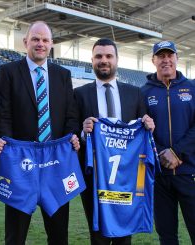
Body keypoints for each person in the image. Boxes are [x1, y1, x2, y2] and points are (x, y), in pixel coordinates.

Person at [0, 21, 80, 245]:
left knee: (59, 234)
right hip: (22, 164)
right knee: (15, 234)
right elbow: (4, 115)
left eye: (45, 40)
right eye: (35, 39)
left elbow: (71, 114)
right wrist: (7, 146)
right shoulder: (9, 71)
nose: (40, 44)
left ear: (51, 44)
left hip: (55, 164)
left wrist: (71, 137)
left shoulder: (63, 74)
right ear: (26, 42)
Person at [74, 38, 155, 245]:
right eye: (99, 56)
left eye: (108, 56)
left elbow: (143, 132)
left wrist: (148, 125)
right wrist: (84, 133)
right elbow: (72, 132)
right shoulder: (79, 94)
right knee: (98, 236)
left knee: (123, 235)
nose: (104, 60)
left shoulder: (134, 93)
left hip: (126, 176)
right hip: (94, 176)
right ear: (91, 60)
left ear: (116, 60)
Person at [141, 40, 195, 245]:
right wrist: (163, 153)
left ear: (177, 58)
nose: (166, 60)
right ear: (153, 60)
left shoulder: (192, 88)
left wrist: (177, 152)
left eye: (169, 55)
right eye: (161, 56)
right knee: (167, 235)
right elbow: (142, 131)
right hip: (159, 176)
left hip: (189, 173)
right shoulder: (143, 92)